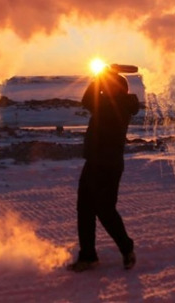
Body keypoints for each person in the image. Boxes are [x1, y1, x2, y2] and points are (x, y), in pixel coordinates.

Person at [67, 65, 141, 272]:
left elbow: (88, 100)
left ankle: (126, 248)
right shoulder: (115, 102)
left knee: (104, 210)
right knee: (86, 209)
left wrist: (101, 76)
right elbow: (91, 99)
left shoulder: (114, 105)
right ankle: (88, 256)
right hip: (96, 162)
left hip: (106, 165)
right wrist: (105, 75)